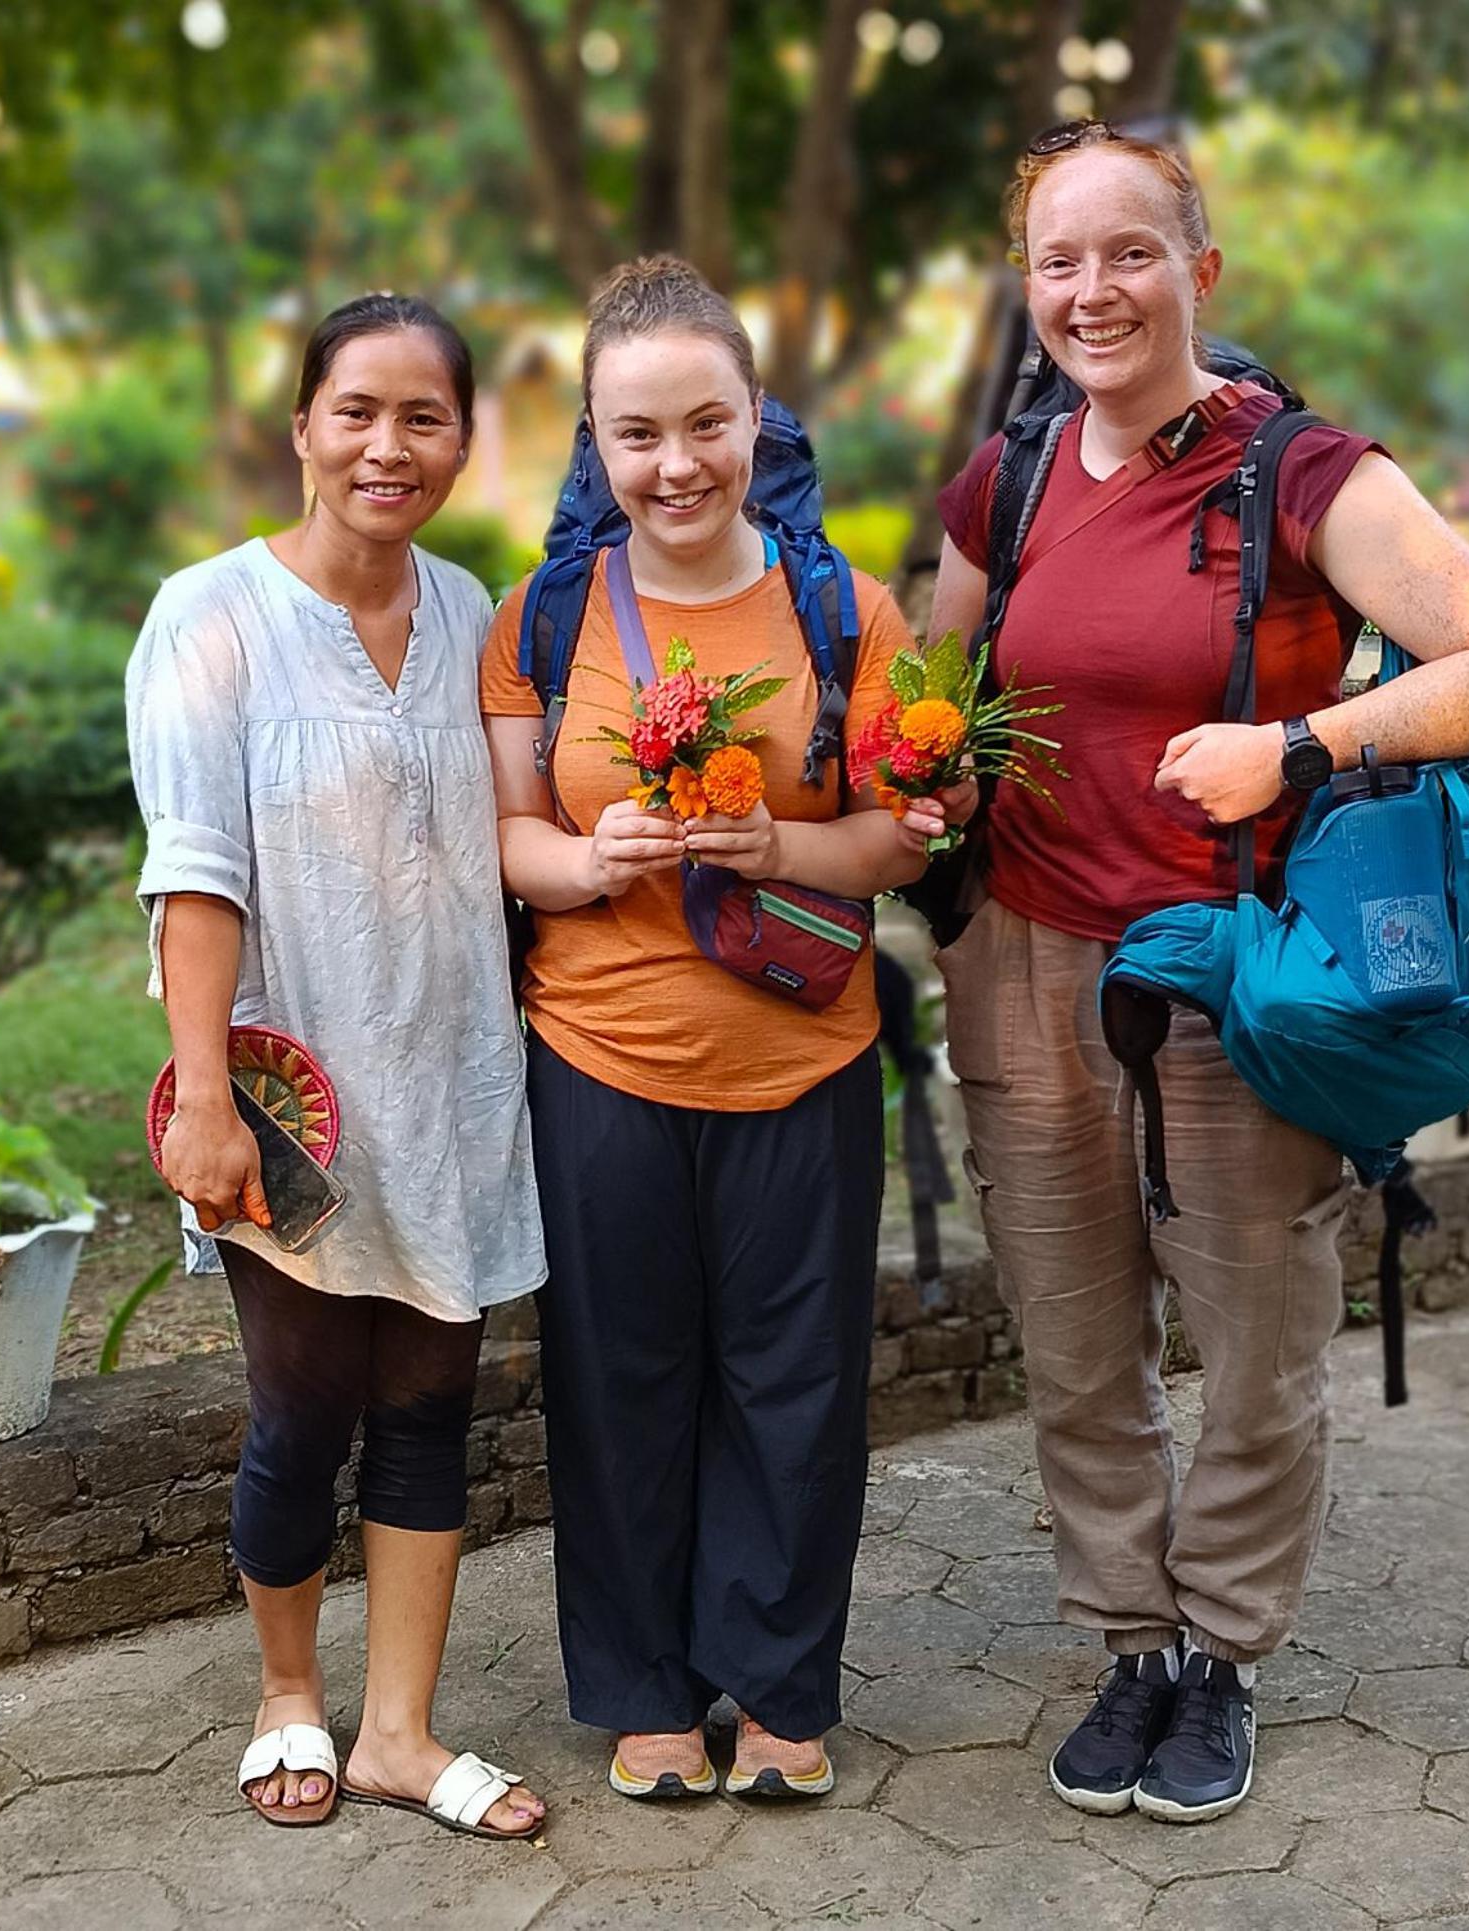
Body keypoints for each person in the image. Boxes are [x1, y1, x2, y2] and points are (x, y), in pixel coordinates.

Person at [926, 122, 1469, 1824]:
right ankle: (1130, 1643)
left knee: (1257, 1340)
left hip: (1240, 970)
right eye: (1058, 260)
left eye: (1128, 250)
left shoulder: (1301, 472)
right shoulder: (1004, 480)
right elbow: (942, 702)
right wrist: (929, 773)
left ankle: (1222, 1655)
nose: (1091, 289)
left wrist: (1300, 745)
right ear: (1029, 288)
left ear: (1197, 269)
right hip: (1024, 968)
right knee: (1072, 1343)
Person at [481, 256, 939, 1801]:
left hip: (804, 1058)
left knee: (798, 1383)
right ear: (593, 446)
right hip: (599, 1061)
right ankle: (647, 1697)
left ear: (758, 419)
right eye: (636, 435)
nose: (674, 466)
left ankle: (782, 1690)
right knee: (619, 1383)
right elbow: (510, 838)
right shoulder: (545, 618)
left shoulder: (843, 608)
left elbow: (899, 839)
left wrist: (783, 851)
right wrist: (589, 858)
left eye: (705, 425)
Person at [126, 293, 549, 1837]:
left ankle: (399, 1733)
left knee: (435, 1404)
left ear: (460, 440)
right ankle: (288, 1701)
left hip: (452, 1082)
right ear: (300, 425)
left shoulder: (474, 611)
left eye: (422, 416)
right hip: (291, 1104)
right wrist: (206, 1098)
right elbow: (193, 872)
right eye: (355, 410)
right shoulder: (212, 615)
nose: (388, 444)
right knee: (302, 1410)